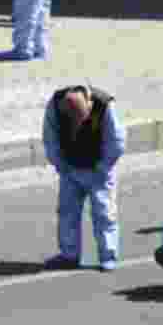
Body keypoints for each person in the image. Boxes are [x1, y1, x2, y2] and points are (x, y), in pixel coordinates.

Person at [42, 84, 126, 271]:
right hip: (70, 170)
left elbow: (117, 142)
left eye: (80, 120)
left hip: (99, 171)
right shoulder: (55, 105)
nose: (77, 125)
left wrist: (103, 168)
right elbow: (50, 139)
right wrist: (61, 166)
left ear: (89, 105)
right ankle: (69, 255)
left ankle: (108, 256)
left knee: (104, 214)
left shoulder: (105, 105)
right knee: (67, 213)